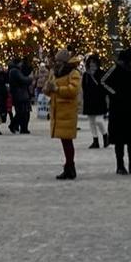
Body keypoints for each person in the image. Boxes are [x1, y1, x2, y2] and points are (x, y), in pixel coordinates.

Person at [102, 47, 131, 174]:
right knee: (119, 138)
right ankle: (120, 165)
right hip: (119, 108)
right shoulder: (116, 68)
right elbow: (104, 82)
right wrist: (114, 94)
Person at [48, 49, 82, 181]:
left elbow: (73, 90)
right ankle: (68, 167)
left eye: (58, 61)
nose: (56, 63)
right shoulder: (55, 73)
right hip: (58, 111)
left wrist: (57, 89)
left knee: (68, 142)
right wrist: (48, 89)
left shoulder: (73, 73)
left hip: (67, 111)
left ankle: (70, 167)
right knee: (65, 142)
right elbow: (49, 90)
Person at [81, 54, 110, 149]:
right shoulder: (85, 75)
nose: (92, 65)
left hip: (99, 100)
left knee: (99, 120)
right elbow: (84, 87)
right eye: (90, 63)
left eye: (94, 63)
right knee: (91, 121)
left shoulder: (102, 73)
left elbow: (105, 87)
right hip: (89, 101)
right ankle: (95, 140)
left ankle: (106, 136)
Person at [7, 57, 32, 135]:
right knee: (22, 112)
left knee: (24, 112)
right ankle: (16, 126)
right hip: (19, 95)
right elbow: (23, 80)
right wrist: (30, 78)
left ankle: (22, 127)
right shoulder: (15, 71)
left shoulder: (16, 70)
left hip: (20, 94)